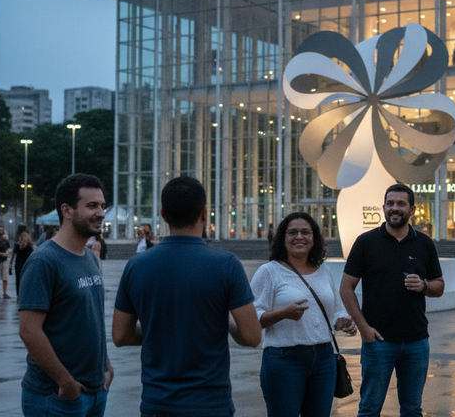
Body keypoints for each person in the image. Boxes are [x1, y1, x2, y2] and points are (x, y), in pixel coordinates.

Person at [112, 176, 261, 417]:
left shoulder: (136, 266)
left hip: (157, 403)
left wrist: (158, 329)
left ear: (163, 214)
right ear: (204, 213)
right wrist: (222, 321)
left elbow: (120, 336)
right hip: (210, 404)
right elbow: (252, 336)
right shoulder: (226, 265)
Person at [340, 183, 445, 417]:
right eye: (390, 203)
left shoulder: (424, 243)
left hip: (416, 341)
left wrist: (424, 286)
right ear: (383, 207)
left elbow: (439, 285)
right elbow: (346, 288)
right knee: (369, 409)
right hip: (378, 341)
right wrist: (364, 328)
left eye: (401, 204)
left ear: (412, 209)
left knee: (412, 410)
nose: (394, 208)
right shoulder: (366, 242)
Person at [18, 174, 113, 416]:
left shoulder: (90, 258)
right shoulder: (44, 261)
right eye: (92, 206)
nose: (101, 213)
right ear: (67, 210)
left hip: (95, 392)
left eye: (102, 206)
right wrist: (65, 381)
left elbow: (90, 319)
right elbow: (29, 330)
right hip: (56, 397)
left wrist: (107, 367)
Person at [251, 212, 357, 417]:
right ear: (283, 239)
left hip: (324, 359)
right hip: (284, 361)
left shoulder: (323, 270)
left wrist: (342, 321)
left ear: (314, 238)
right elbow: (252, 317)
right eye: (292, 232)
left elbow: (336, 310)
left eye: (305, 232)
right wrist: (283, 314)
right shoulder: (269, 272)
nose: (299, 237)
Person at [12, 230, 34, 298]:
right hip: (27, 264)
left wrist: (10, 265)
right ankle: (26, 293)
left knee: (18, 280)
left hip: (18, 264)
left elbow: (13, 254)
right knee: (27, 280)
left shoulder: (17, 245)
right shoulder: (30, 246)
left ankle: (19, 294)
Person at [0, 227, 12, 299]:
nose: (0, 232)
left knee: (5, 277)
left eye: (2, 230)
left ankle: (4, 293)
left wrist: (7, 253)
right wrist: (2, 254)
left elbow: (8, 249)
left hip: (4, 260)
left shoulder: (5, 241)